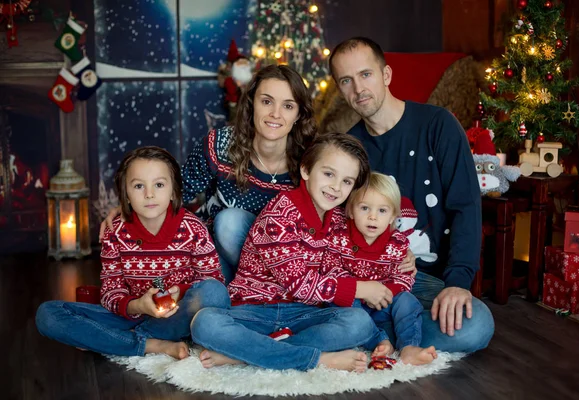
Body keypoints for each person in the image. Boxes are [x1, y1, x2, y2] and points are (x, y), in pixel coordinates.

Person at [329, 37, 494, 353]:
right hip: (370, 279)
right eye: (346, 81)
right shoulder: (349, 150)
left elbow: (466, 207)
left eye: (366, 75)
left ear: (386, 75)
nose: (358, 89)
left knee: (477, 327)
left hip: (427, 280)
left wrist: (458, 284)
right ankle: (384, 333)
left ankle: (377, 335)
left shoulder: (438, 125)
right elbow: (337, 224)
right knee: (333, 305)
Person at [190, 133, 393, 372]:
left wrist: (378, 336)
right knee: (205, 323)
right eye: (328, 174)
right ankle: (317, 359)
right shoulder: (280, 214)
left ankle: (245, 356)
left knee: (358, 322)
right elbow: (299, 284)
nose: (336, 187)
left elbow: (344, 266)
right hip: (254, 311)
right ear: (306, 171)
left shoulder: (338, 220)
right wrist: (361, 287)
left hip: (303, 316)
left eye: (347, 182)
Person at [100, 65, 317, 284]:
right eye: (267, 101)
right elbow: (178, 191)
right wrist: (127, 207)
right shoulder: (220, 144)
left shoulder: (309, 161)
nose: (275, 114)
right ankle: (243, 292)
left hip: (283, 263)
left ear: (299, 114)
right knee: (214, 254)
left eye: (288, 106)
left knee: (231, 222)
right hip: (220, 248)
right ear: (252, 105)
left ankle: (261, 290)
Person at [36, 146, 225, 358]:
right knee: (47, 314)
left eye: (159, 184)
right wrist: (138, 306)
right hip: (131, 315)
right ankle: (151, 345)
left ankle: (111, 340)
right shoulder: (115, 232)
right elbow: (110, 291)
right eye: (138, 186)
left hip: (176, 315)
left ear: (173, 191)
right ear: (125, 194)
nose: (149, 194)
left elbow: (212, 280)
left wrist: (179, 293)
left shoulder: (193, 229)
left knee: (214, 293)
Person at [342, 172, 438, 365]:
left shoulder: (397, 243)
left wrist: (385, 294)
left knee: (408, 301)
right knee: (341, 306)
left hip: (384, 303)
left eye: (382, 211)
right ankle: (380, 339)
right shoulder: (340, 238)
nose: (373, 217)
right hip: (354, 306)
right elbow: (333, 270)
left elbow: (405, 277)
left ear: (393, 216)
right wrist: (362, 291)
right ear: (351, 210)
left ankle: (409, 347)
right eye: (365, 208)